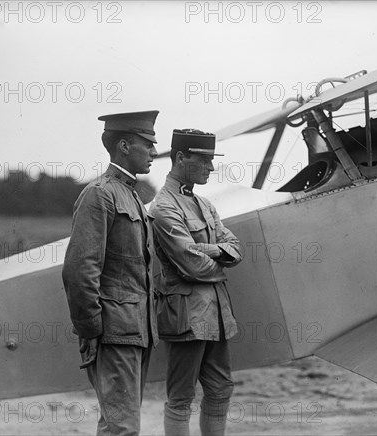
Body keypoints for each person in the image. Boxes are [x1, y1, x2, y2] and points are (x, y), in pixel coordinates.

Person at [62, 110, 160, 435]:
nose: (154, 153)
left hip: (135, 332)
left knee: (119, 425)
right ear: (123, 146)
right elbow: (80, 270)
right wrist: (92, 331)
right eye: (148, 145)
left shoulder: (130, 195)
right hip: (114, 333)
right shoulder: (100, 194)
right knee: (122, 429)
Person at [149, 129, 243, 436]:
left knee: (221, 388)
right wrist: (218, 258)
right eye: (203, 160)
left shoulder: (204, 203)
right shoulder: (164, 207)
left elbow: (235, 247)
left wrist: (210, 249)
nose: (211, 168)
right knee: (181, 396)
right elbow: (192, 266)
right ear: (180, 158)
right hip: (186, 315)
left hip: (215, 313)